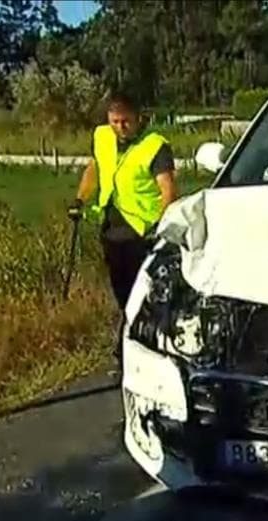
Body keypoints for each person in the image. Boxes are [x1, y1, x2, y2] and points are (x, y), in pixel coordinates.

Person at [68, 92, 179, 362]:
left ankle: (133, 351)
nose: (120, 127)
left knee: (141, 294)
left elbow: (168, 189)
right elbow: (94, 168)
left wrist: (163, 224)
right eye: (114, 121)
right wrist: (79, 199)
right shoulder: (102, 137)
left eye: (125, 122)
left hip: (143, 232)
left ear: (138, 118)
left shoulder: (154, 146)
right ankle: (134, 343)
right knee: (123, 294)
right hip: (111, 228)